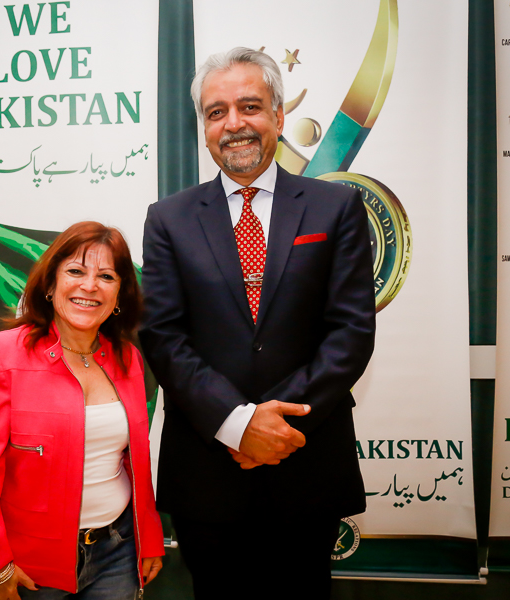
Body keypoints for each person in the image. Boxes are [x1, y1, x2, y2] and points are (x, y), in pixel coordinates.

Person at [139, 47, 376, 599]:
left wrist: (274, 425)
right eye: (216, 112)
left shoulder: (335, 207)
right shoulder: (168, 219)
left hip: (306, 460)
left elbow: (350, 333)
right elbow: (164, 336)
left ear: (278, 115)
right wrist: (238, 423)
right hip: (208, 471)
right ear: (204, 128)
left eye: (249, 106)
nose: (234, 124)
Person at [0, 222, 164, 600]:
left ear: (119, 294)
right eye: (75, 271)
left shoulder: (127, 358)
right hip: (30, 563)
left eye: (106, 276)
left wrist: (148, 537)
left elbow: (135, 459)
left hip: (118, 552)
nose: (90, 286)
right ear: (50, 284)